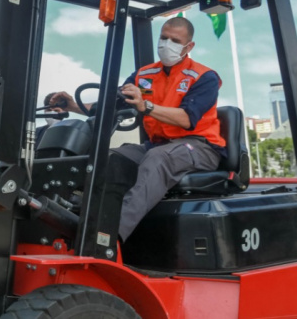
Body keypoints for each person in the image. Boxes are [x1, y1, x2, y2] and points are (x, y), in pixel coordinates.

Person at [49, 17, 224, 243]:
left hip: (200, 147)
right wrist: (72, 105)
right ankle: (74, 222)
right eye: (163, 38)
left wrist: (145, 106)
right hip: (159, 144)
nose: (166, 44)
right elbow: (114, 104)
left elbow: (186, 119)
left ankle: (107, 241)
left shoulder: (204, 77)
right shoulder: (145, 75)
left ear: (189, 47)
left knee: (158, 159)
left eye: (175, 40)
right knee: (109, 158)